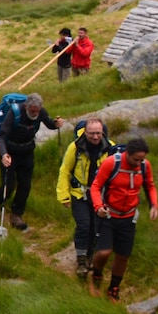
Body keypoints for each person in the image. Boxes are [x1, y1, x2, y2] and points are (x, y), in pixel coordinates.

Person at [87, 137, 158, 301]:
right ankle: (96, 275)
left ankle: (114, 289)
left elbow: (150, 185)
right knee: (104, 252)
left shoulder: (144, 165)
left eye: (142, 159)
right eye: (136, 159)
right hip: (108, 215)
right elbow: (96, 186)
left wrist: (154, 205)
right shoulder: (112, 163)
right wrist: (98, 206)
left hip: (129, 217)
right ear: (128, 153)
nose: (139, 162)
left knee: (123, 256)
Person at [0, 93, 64, 231]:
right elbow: (2, 136)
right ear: (26, 106)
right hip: (10, 152)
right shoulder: (14, 113)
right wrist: (4, 154)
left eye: (37, 111)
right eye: (32, 111)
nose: (35, 114)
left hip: (27, 152)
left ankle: (16, 215)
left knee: (25, 185)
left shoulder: (41, 112)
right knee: (9, 184)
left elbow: (50, 124)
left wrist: (56, 124)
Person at [56, 118, 115, 279]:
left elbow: (116, 174)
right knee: (84, 225)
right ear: (85, 132)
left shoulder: (110, 147)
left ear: (102, 132)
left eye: (98, 133)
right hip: (79, 194)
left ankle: (91, 256)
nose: (95, 137)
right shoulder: (75, 147)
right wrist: (63, 195)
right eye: (91, 133)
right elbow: (65, 170)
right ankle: (81, 260)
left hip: (100, 196)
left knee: (96, 227)